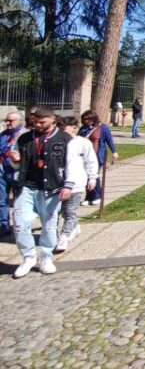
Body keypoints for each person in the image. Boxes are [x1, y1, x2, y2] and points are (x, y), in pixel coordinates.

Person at [7, 107, 74, 278]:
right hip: (26, 187)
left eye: (42, 122)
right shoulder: (24, 138)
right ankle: (28, 257)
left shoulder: (64, 138)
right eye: (35, 122)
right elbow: (16, 163)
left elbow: (71, 164)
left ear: (52, 119)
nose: (37, 125)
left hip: (51, 188)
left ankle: (46, 257)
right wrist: (16, 161)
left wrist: (68, 185)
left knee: (49, 226)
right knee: (20, 224)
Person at [54, 116, 98, 252]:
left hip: (77, 182)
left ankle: (64, 237)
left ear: (74, 128)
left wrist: (92, 177)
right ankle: (74, 226)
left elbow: (91, 161)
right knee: (60, 212)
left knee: (70, 211)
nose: (60, 132)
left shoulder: (82, 143)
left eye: (63, 129)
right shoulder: (56, 142)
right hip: (58, 182)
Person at [79, 109, 118, 205]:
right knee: (87, 177)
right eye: (84, 119)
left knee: (94, 176)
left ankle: (97, 196)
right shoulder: (83, 128)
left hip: (97, 156)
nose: (86, 121)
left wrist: (114, 151)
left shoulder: (103, 127)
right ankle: (89, 197)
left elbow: (109, 140)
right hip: (85, 156)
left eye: (88, 119)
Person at [0, 111, 27, 237]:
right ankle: (4, 225)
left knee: (19, 201)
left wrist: (20, 158)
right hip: (3, 170)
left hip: (17, 171)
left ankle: (19, 226)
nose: (8, 123)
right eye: (7, 120)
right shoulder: (3, 135)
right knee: (2, 199)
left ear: (19, 121)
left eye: (11, 120)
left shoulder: (25, 135)